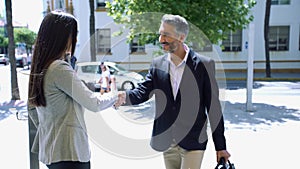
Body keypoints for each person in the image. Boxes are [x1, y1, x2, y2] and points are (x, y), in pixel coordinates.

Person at [116, 14, 231, 169]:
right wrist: (122, 97)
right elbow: (142, 92)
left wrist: (220, 146)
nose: (161, 39)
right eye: (160, 33)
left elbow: (214, 108)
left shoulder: (204, 65)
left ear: (181, 37)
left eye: (166, 35)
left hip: (193, 141)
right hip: (167, 141)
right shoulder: (157, 64)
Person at [28, 10, 117, 169]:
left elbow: (32, 108)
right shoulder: (59, 68)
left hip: (52, 152)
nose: (75, 39)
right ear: (61, 37)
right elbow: (94, 103)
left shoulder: (42, 66)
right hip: (70, 153)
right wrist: (115, 95)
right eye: (73, 34)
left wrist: (50, 127)